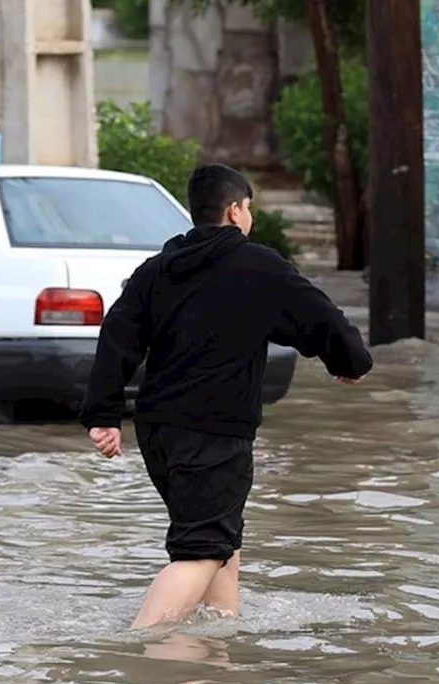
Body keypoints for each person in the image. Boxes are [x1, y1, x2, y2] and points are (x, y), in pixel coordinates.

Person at [79, 163, 373, 629]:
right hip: (212, 434)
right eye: (249, 208)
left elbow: (117, 335)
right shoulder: (258, 266)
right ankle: (137, 650)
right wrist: (350, 363)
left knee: (223, 547)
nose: (250, 216)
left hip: (157, 434)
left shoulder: (157, 270)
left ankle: (208, 666)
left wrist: (104, 415)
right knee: (203, 551)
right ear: (235, 211)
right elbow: (320, 316)